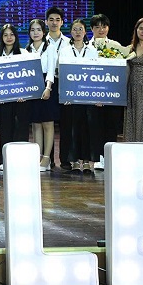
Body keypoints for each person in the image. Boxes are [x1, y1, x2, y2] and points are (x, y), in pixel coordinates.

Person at [57, 19, 100, 172]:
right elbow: (61, 73)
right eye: (74, 29)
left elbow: (97, 74)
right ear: (70, 32)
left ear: (85, 32)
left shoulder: (92, 50)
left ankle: (87, 161)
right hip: (70, 97)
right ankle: (74, 160)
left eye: (80, 29)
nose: (77, 32)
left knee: (87, 129)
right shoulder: (65, 51)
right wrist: (64, 95)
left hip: (88, 96)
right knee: (72, 129)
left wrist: (97, 96)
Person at [88, 14, 125, 170]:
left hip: (112, 95)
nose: (101, 30)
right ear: (91, 29)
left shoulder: (116, 46)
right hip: (91, 95)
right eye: (97, 27)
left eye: (104, 26)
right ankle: (97, 158)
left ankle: (109, 158)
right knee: (94, 127)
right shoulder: (86, 47)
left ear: (108, 28)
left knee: (111, 126)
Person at [0, 24, 32, 170]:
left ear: (16, 37)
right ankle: (4, 162)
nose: (9, 37)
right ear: (1, 38)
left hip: (21, 99)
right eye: (5, 35)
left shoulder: (24, 53)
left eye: (11, 34)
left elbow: (29, 76)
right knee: (5, 130)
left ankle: (20, 162)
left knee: (21, 129)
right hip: (4, 100)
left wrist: (25, 93)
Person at [25, 18, 58, 171]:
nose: (35, 33)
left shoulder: (50, 48)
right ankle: (37, 156)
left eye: (38, 29)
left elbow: (51, 69)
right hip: (32, 86)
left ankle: (47, 158)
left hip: (46, 85)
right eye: (32, 30)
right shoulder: (27, 50)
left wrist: (48, 88)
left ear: (44, 32)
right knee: (36, 124)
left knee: (47, 123)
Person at [44, 7, 72, 168]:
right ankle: (48, 158)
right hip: (47, 84)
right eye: (51, 20)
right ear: (46, 22)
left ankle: (65, 159)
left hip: (65, 83)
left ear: (62, 22)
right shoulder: (40, 41)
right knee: (47, 122)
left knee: (66, 122)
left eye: (57, 20)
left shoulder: (69, 42)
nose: (54, 23)